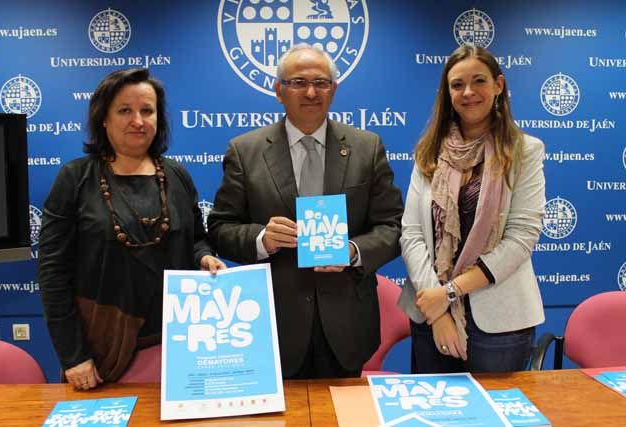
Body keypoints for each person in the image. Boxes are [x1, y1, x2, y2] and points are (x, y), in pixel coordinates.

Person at [207, 44, 403, 379]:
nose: (311, 92)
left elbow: (393, 226)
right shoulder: (245, 151)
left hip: (348, 325)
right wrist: (261, 238)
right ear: (279, 91)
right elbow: (220, 228)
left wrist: (352, 251)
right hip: (271, 324)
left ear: (334, 89)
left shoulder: (367, 148)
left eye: (321, 82)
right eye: (298, 82)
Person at [38, 68, 225, 390]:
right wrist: (73, 356)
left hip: (180, 342)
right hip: (103, 350)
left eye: (147, 111)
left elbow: (196, 239)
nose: (138, 120)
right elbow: (53, 273)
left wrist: (205, 257)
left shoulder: (177, 176)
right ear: (103, 119)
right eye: (125, 110)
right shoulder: (75, 178)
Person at [398, 45, 546, 373]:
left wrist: (450, 293)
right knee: (433, 419)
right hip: (429, 314)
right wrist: (436, 306)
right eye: (457, 85)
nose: (468, 92)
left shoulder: (525, 151)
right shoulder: (428, 153)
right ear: (447, 92)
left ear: (498, 85)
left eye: (478, 81)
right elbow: (411, 234)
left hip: (498, 321)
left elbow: (521, 238)